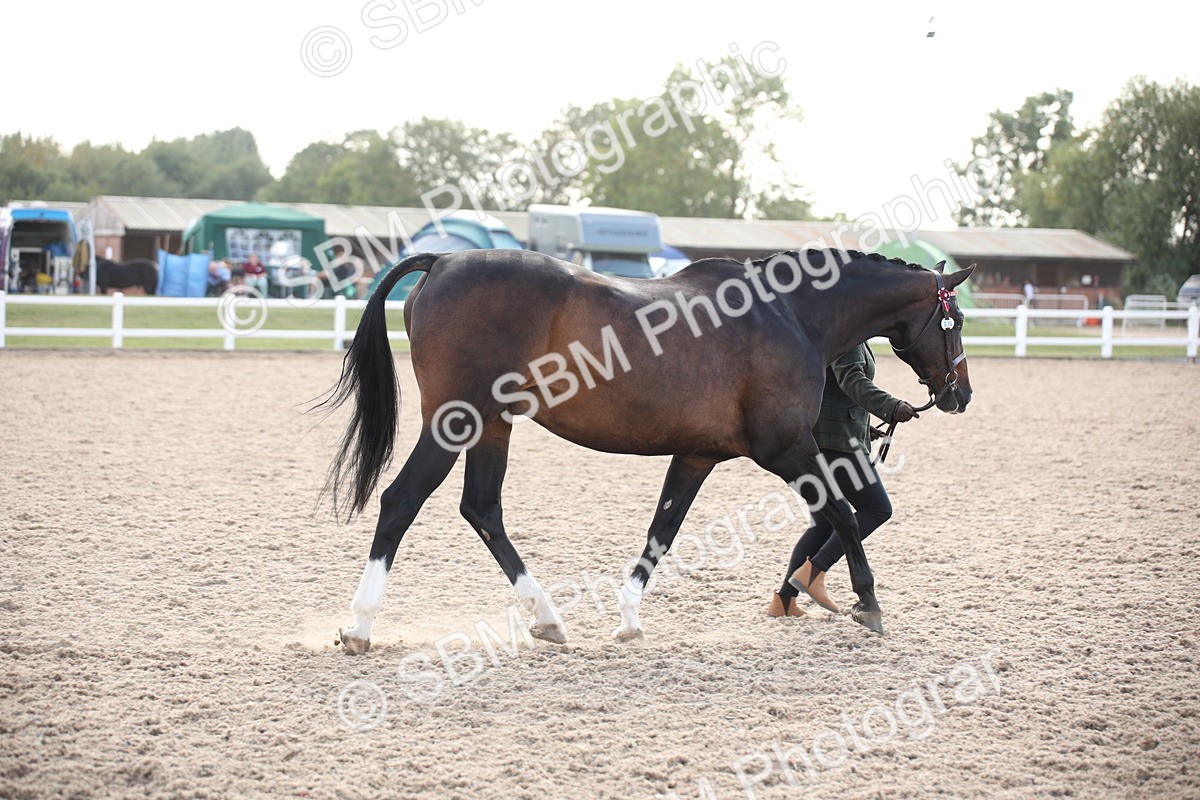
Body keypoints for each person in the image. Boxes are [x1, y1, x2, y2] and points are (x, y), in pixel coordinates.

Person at [767, 342, 919, 618]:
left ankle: (785, 601)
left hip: (824, 437)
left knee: (824, 524)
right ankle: (814, 572)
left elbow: (832, 390)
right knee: (877, 509)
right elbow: (851, 380)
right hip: (836, 445)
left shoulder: (849, 335)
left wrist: (864, 428)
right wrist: (891, 407)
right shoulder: (847, 337)